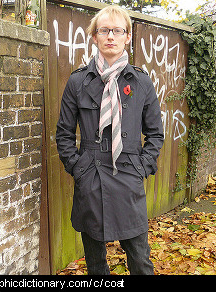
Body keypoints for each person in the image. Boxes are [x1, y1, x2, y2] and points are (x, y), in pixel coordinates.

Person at [56, 5, 164, 275]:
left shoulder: (141, 82)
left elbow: (155, 133)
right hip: (90, 177)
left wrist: (142, 166)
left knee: (140, 260)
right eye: (104, 30)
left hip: (128, 176)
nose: (110, 37)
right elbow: (64, 134)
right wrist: (78, 169)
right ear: (94, 36)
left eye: (118, 31)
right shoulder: (78, 82)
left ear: (127, 36)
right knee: (95, 263)